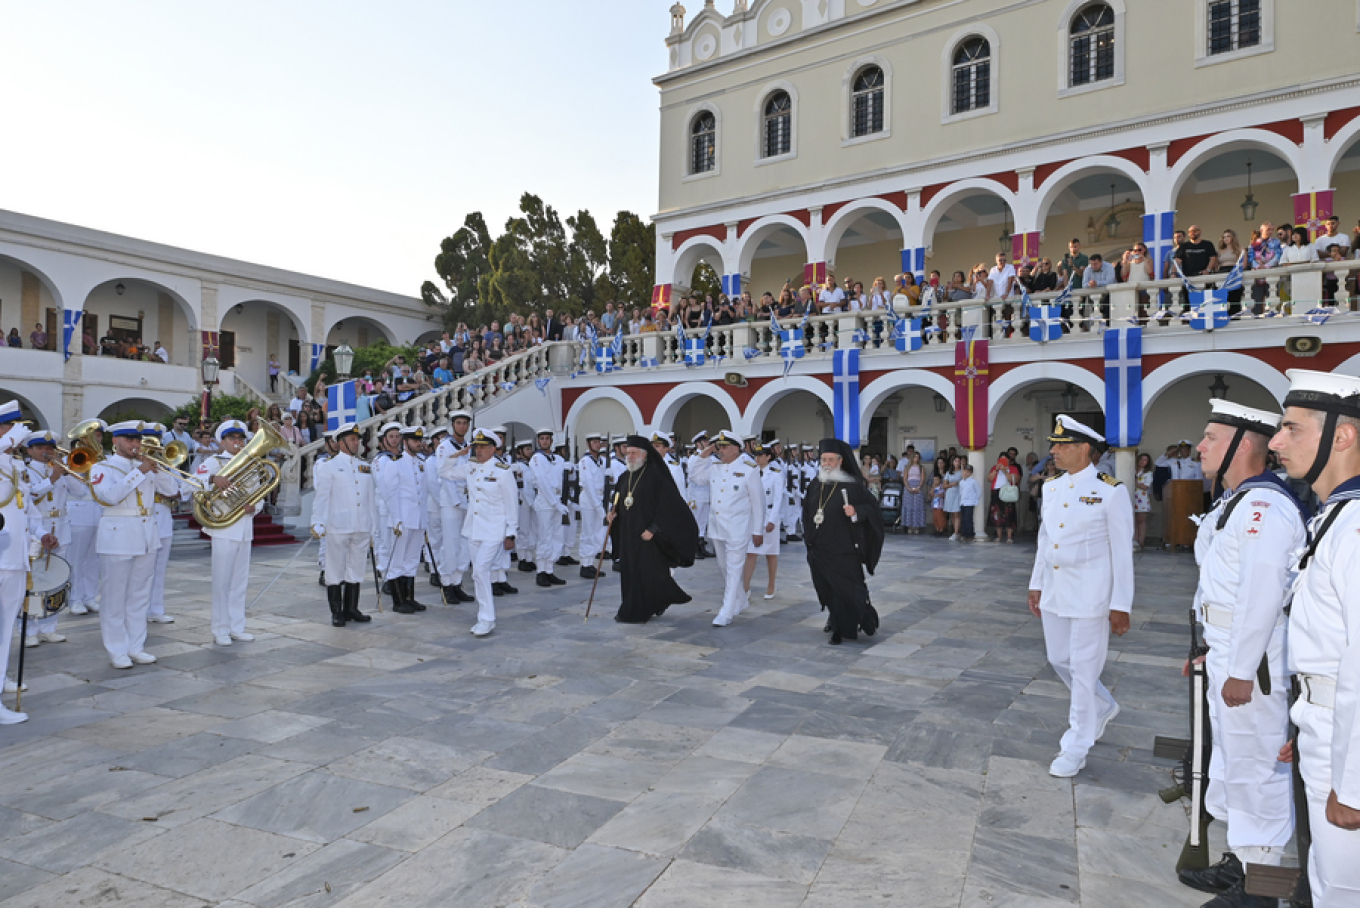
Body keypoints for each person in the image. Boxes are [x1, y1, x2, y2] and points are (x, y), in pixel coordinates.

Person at [1175, 400, 1306, 906]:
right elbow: (1220, 584)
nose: (1200, 446)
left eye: (1211, 437)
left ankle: (1260, 888)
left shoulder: (1264, 508)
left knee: (1257, 769)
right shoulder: (1237, 502)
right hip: (1228, 650)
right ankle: (1241, 862)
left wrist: (1242, 670)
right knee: (1232, 762)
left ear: (1243, 444)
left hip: (1254, 662)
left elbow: (1261, 595)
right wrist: (1208, 650)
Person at [1267, 369, 1360, 906]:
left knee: (1343, 892)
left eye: (1291, 429)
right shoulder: (1334, 517)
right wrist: (1306, 722)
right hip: (1326, 729)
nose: (1276, 442)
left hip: (1346, 751)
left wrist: (1354, 782)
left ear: (1342, 437)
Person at [1027, 415, 1133, 778]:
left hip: (1092, 594)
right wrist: (1036, 583)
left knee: (1084, 671)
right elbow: (1045, 539)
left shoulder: (1111, 490)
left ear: (1084, 448)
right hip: (1056, 589)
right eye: (1054, 445)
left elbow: (1123, 552)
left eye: (1062, 445)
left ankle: (1076, 745)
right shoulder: (1051, 487)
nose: (1053, 451)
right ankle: (1101, 705)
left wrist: (1121, 604)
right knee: (1059, 659)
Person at [89, 419, 180, 670]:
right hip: (117, 537)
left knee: (140, 595)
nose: (135, 444)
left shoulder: (147, 465)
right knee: (114, 597)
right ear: (116, 441)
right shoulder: (102, 467)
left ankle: (136, 646)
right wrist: (140, 471)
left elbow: (172, 490)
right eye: (129, 439)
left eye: (137, 439)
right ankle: (117, 649)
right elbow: (109, 497)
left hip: (146, 535)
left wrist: (158, 470)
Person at [803, 438, 883, 645]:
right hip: (819, 549)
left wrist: (856, 512)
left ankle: (842, 629)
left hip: (843, 549)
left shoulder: (852, 485)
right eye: (824, 460)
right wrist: (808, 538)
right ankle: (834, 617)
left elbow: (872, 509)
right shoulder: (816, 485)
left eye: (831, 460)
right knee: (826, 588)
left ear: (840, 461)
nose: (827, 464)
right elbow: (807, 512)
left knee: (845, 590)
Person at [612, 434, 699, 623]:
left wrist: (654, 528)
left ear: (644, 455)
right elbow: (617, 503)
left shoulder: (655, 476)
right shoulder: (624, 477)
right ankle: (632, 607)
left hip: (647, 536)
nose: (630, 457)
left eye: (634, 453)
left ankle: (639, 611)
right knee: (630, 573)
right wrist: (611, 515)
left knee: (648, 574)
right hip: (628, 535)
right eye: (628, 453)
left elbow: (670, 506)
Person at [194, 420, 262, 647]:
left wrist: (255, 507)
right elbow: (190, 484)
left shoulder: (250, 464)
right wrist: (212, 479)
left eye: (240, 438)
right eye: (232, 438)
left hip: (244, 528)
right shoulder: (213, 462)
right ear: (222, 442)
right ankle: (220, 628)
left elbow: (260, 493)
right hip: (224, 528)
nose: (237, 442)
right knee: (222, 583)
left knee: (239, 582)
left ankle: (237, 626)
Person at [690, 430, 766, 627]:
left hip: (738, 528)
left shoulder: (749, 469)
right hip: (717, 527)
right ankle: (741, 600)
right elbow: (695, 477)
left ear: (735, 449)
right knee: (723, 567)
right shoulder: (715, 467)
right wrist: (703, 454)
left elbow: (758, 503)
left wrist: (758, 530)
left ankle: (726, 611)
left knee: (733, 569)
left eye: (723, 447)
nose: (720, 450)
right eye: (719, 447)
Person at [311, 423, 374, 627]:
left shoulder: (365, 466)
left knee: (356, 567)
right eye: (353, 439)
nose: (357, 443)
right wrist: (318, 521)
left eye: (357, 439)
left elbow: (371, 499)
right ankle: (337, 611)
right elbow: (322, 497)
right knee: (335, 568)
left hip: (361, 524)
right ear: (341, 442)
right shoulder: (329, 466)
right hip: (338, 524)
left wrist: (373, 526)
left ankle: (352, 608)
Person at [0, 407, 39, 722]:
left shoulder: (14, 464)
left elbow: (25, 509)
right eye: (8, 428)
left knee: (4, 633)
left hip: (14, 559)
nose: (16, 435)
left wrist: (37, 536)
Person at [20, 432, 72, 648]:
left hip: (61, 527)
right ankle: (28, 630)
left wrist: (70, 470)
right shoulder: (24, 471)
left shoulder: (58, 468)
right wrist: (52, 479)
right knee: (33, 582)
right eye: (41, 447)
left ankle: (49, 627)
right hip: (36, 529)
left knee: (56, 580)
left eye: (50, 447)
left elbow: (80, 489)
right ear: (30, 450)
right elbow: (29, 496)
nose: (47, 451)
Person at [372, 422, 430, 614]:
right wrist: (396, 519)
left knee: (412, 560)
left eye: (419, 440)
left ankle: (409, 598)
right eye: (414, 440)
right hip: (402, 520)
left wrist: (425, 520)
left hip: (417, 519)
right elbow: (390, 494)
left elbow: (424, 493)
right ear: (406, 442)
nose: (418, 443)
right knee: (397, 560)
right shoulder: (395, 463)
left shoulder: (421, 463)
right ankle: (398, 601)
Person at [64, 419, 106, 615]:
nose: (96, 439)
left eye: (98, 436)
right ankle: (75, 599)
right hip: (79, 514)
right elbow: (78, 490)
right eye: (92, 435)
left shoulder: (105, 459)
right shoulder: (74, 459)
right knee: (76, 560)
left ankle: (90, 597)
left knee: (94, 560)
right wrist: (81, 468)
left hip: (100, 513)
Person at [742, 441, 782, 601]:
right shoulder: (751, 472)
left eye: (760, 455)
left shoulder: (776, 474)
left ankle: (771, 585)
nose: (757, 458)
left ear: (768, 457)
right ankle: (745, 587)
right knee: (751, 553)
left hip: (769, 516)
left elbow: (778, 499)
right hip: (754, 517)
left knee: (771, 554)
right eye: (755, 455)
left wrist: (773, 520)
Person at [577, 434, 610, 579]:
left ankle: (590, 563)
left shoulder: (602, 461)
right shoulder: (585, 461)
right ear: (588, 444)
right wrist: (597, 505)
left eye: (598, 442)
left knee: (597, 533)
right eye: (594, 442)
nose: (597, 444)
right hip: (590, 500)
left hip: (601, 498)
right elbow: (588, 484)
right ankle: (585, 565)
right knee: (588, 533)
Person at [686, 431, 713, 557]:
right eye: (705, 441)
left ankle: (701, 546)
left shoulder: (709, 458)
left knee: (703, 522)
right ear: (698, 444)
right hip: (696, 495)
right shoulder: (694, 458)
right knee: (696, 522)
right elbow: (693, 476)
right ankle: (694, 548)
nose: (708, 443)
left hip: (706, 494)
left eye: (707, 441)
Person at [989, 453, 1020, 543]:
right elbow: (989, 478)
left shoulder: (1013, 468)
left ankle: (1009, 537)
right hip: (996, 492)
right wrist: (996, 470)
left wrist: (1005, 471)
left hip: (1007, 492)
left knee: (1009, 514)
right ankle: (998, 536)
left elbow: (1014, 480)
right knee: (997, 514)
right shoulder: (995, 468)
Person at [1133, 452, 1153, 551]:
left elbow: (1146, 486)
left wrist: (1136, 484)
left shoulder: (1148, 473)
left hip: (1142, 498)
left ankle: (1141, 542)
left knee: (1141, 521)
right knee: (1134, 521)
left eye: (1145, 460)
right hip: (1132, 497)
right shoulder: (1132, 471)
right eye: (1141, 459)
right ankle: (1135, 541)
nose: (1142, 461)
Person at [957, 464, 981, 541]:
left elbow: (978, 492)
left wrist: (974, 500)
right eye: (964, 471)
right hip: (963, 502)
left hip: (970, 503)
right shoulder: (961, 482)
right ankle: (964, 534)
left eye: (968, 472)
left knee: (968, 519)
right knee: (963, 519)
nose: (966, 473)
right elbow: (960, 492)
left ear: (971, 473)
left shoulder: (973, 482)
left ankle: (970, 535)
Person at [943, 455, 963, 539]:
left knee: (957, 513)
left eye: (959, 461)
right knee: (952, 514)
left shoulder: (962, 472)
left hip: (958, 493)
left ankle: (956, 532)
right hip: (950, 493)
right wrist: (951, 484)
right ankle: (955, 531)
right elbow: (944, 485)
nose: (957, 463)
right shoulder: (948, 473)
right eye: (955, 461)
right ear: (952, 462)